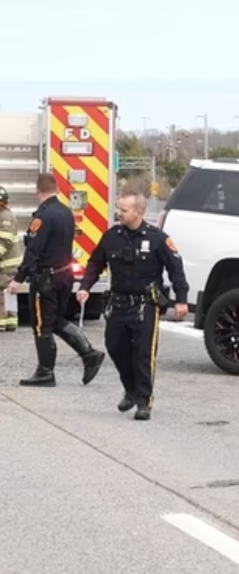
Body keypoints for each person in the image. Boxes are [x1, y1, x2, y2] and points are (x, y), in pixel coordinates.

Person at [77, 188, 189, 420]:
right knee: (115, 347)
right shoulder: (112, 236)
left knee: (143, 354)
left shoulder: (157, 238)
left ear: (138, 212)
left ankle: (144, 401)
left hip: (145, 305)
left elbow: (176, 269)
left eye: (123, 209)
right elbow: (95, 263)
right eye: (118, 208)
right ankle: (130, 389)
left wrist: (181, 300)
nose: (118, 213)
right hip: (118, 303)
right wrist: (85, 287)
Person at [6, 174, 106, 386]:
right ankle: (89, 354)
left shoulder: (43, 216)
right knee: (57, 319)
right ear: (56, 188)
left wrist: (18, 278)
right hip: (64, 275)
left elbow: (34, 250)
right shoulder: (66, 212)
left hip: (46, 279)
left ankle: (45, 372)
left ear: (37, 191)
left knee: (42, 325)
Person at [0, 185, 22, 331]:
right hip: (9, 264)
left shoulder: (5, 216)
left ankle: (2, 322)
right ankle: (10, 321)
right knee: (8, 292)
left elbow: (4, 240)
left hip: (6, 265)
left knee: (2, 292)